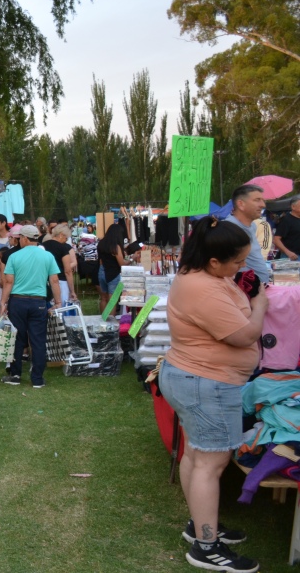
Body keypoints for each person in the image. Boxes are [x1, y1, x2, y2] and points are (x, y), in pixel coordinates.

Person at [158, 217, 268, 573]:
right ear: (215, 261)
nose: (241, 268)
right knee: (211, 463)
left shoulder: (203, 277)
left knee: (197, 455)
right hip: (206, 383)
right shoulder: (202, 287)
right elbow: (244, 335)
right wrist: (261, 303)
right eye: (237, 262)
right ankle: (206, 546)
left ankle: (200, 526)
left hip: (196, 379)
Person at [0, 225, 62, 388]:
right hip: (39, 302)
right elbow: (54, 281)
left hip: (17, 302)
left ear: (25, 238)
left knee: (16, 339)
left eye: (20, 238)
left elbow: (9, 282)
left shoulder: (14, 256)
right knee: (38, 340)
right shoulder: (47, 256)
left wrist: (3, 302)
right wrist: (58, 302)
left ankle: (15, 374)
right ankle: (37, 379)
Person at [224, 184, 271, 283]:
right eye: (257, 200)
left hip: (257, 289)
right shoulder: (230, 229)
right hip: (244, 291)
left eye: (263, 200)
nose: (263, 205)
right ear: (241, 204)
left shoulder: (252, 226)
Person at [43, 223, 78, 305]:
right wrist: (72, 291)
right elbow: (68, 271)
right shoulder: (63, 248)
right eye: (66, 238)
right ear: (61, 235)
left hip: (44, 281)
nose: (66, 241)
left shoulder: (43, 246)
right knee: (61, 309)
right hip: (60, 281)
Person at [97, 223, 127, 312]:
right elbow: (121, 263)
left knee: (103, 298)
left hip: (102, 271)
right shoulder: (115, 247)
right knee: (112, 300)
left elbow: (100, 260)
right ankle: (111, 323)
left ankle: (103, 320)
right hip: (113, 273)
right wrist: (131, 260)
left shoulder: (101, 243)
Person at [273, 194, 300, 260]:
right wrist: (287, 252)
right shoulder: (286, 220)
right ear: (293, 207)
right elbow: (276, 239)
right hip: (291, 256)